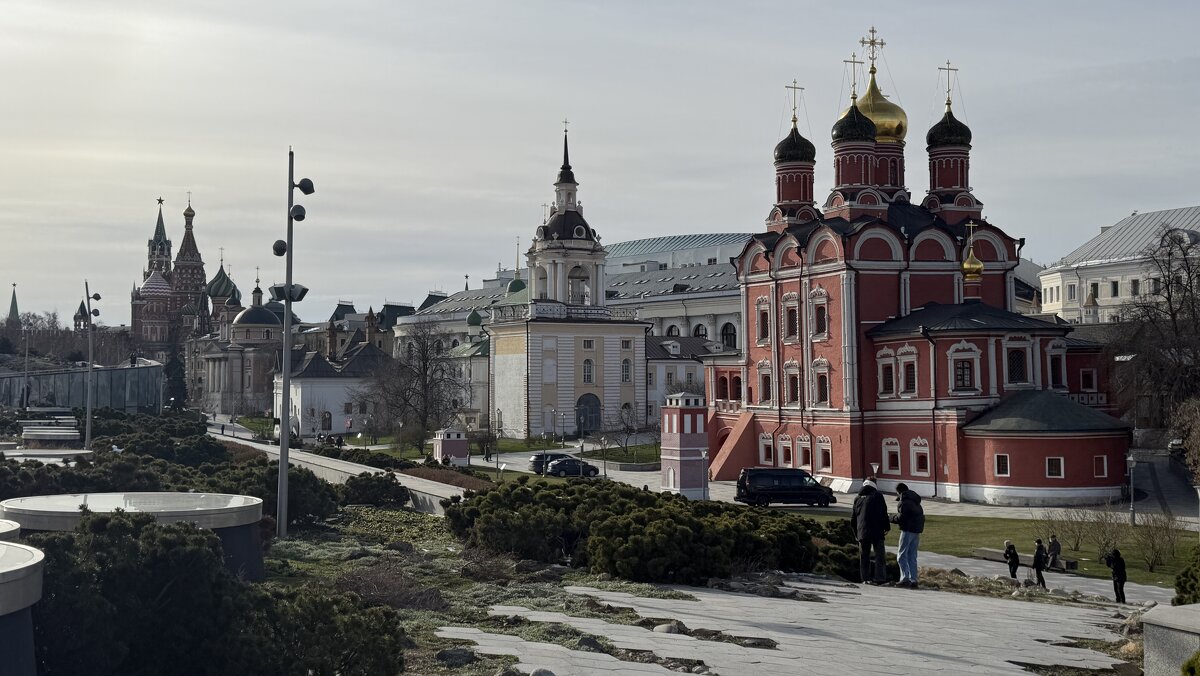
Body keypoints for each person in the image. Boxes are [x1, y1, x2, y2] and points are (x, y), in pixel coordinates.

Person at [852, 477, 890, 585]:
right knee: (879, 556)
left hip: (862, 532)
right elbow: (883, 513)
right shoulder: (878, 496)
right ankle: (879, 578)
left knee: (864, 556)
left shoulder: (857, 498)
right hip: (877, 530)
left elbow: (853, 518)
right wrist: (887, 527)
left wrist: (856, 533)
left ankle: (865, 579)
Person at [890, 483, 925, 589]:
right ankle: (913, 579)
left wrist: (890, 518)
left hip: (907, 530)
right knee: (912, 555)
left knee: (901, 555)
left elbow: (901, 518)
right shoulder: (916, 501)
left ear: (899, 492)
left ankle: (905, 578)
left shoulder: (904, 502)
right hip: (916, 531)